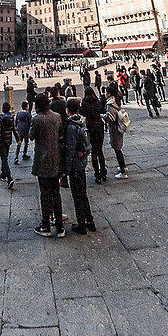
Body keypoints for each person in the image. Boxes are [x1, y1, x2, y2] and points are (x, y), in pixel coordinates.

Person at [62, 95, 98, 234]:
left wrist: (66, 168)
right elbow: (88, 144)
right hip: (82, 163)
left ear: (68, 110)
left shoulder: (71, 126)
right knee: (83, 193)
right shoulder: (82, 122)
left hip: (75, 165)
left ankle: (81, 224)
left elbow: (70, 149)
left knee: (77, 195)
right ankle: (90, 221)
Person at [31, 98, 67, 237]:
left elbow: (31, 136)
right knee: (56, 194)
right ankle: (60, 227)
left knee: (44, 193)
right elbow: (61, 134)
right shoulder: (57, 117)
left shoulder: (37, 119)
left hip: (42, 160)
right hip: (56, 159)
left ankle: (45, 225)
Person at [81, 90, 109, 186]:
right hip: (99, 125)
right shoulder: (98, 101)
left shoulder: (84, 103)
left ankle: (97, 174)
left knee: (94, 151)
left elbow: (83, 113)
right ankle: (103, 172)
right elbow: (102, 110)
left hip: (90, 126)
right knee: (100, 150)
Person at [104, 96, 128, 177]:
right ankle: (123, 166)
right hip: (119, 127)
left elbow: (111, 118)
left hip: (114, 129)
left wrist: (103, 116)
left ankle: (123, 171)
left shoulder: (110, 104)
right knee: (119, 148)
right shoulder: (116, 101)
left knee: (117, 149)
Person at [0, 103, 16, 182]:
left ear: (2, 109)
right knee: (5, 156)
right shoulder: (11, 118)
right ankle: (3, 173)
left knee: (4, 159)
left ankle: (9, 177)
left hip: (2, 140)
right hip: (8, 140)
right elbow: (14, 129)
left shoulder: (1, 119)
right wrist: (17, 139)